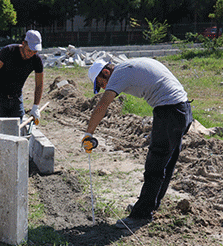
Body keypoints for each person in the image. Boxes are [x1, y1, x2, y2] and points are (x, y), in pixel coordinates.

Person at [82, 57, 193, 231]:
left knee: (155, 166)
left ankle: (141, 215)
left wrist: (89, 134)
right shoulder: (129, 66)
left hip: (169, 110)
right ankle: (150, 205)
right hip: (182, 109)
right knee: (166, 163)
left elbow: (103, 105)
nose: (104, 88)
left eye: (101, 84)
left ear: (105, 72)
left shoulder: (119, 73)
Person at [0, 30, 44, 124]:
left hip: (16, 98)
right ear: (23, 43)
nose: (31, 54)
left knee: (17, 130)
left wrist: (36, 106)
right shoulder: (8, 52)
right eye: (29, 50)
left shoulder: (36, 60)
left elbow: (39, 84)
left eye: (34, 51)